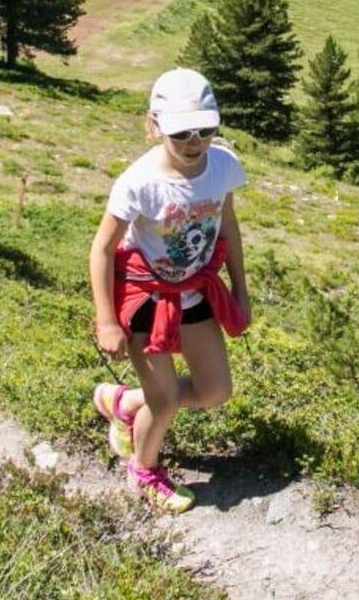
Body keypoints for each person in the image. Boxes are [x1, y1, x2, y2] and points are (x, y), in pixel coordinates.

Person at [88, 68, 252, 514]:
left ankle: (125, 403)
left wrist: (240, 290)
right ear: (154, 125)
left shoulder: (223, 166)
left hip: (195, 290)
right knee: (163, 404)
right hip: (147, 297)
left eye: (205, 129)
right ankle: (143, 471)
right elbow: (102, 248)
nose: (194, 142)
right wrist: (106, 320)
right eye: (181, 132)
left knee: (216, 390)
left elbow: (229, 226)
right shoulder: (139, 181)